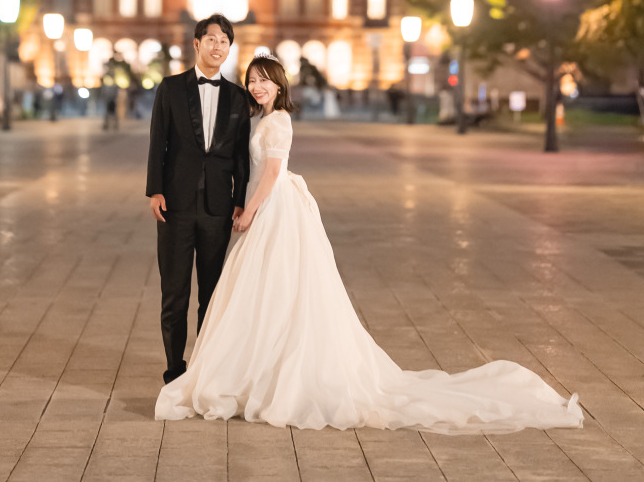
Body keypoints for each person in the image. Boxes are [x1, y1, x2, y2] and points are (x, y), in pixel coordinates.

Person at [155, 54, 583, 434]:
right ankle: (255, 369)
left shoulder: (279, 120)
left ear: (280, 85)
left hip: (274, 209)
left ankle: (268, 372)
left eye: (265, 80)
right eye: (253, 80)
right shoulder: (260, 118)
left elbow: (269, 174)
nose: (257, 86)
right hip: (268, 206)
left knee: (277, 287)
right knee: (269, 291)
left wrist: (247, 212)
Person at [146, 14, 250, 384]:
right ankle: (174, 371)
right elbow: (159, 141)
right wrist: (154, 190)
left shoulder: (239, 97)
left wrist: (239, 200)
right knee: (174, 293)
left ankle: (205, 369)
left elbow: (240, 155)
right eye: (211, 40)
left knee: (211, 295)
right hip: (174, 205)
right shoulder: (171, 89)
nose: (217, 46)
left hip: (218, 209)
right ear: (196, 43)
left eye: (224, 41)